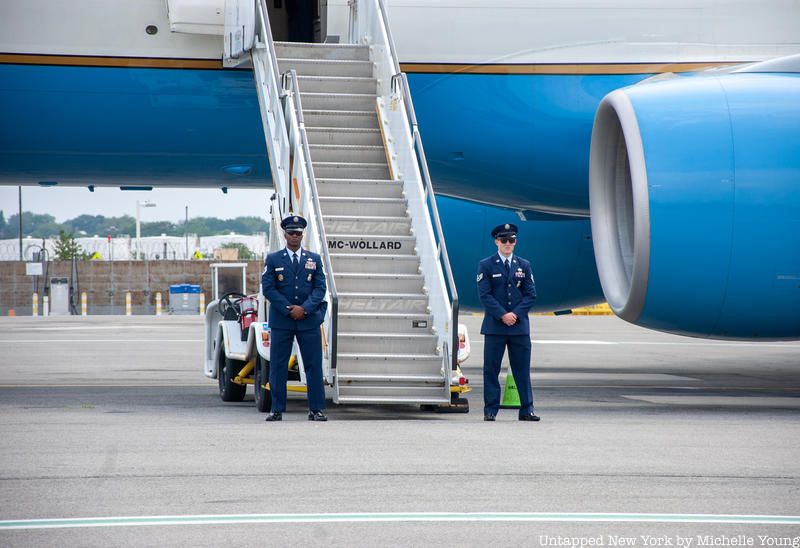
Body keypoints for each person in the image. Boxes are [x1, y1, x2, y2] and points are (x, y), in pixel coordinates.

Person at [261, 215, 328, 421]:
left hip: (308, 320)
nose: (295, 236)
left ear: (302, 235)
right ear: (285, 234)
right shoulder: (273, 259)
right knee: (278, 366)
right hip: (283, 320)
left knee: (313, 366)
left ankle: (316, 409)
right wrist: (288, 309)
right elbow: (268, 288)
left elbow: (320, 288)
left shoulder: (313, 259)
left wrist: (304, 309)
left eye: (298, 233)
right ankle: (277, 409)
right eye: (291, 232)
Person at [476, 223, 540, 422]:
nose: (508, 244)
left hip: (519, 327)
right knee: (491, 369)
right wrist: (503, 314)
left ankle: (526, 409)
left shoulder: (524, 265)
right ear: (496, 241)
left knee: (522, 369)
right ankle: (490, 409)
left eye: (511, 240)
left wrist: (515, 315)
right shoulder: (486, 265)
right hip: (495, 326)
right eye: (504, 240)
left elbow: (530, 295)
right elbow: (485, 295)